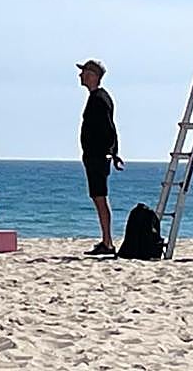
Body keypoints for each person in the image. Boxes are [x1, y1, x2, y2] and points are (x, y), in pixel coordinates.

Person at [77, 59, 124, 256]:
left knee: (100, 197)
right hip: (95, 155)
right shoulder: (97, 97)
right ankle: (106, 240)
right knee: (98, 197)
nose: (80, 76)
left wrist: (111, 152)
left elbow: (109, 128)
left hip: (97, 156)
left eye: (84, 72)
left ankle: (108, 241)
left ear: (92, 75)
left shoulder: (99, 98)